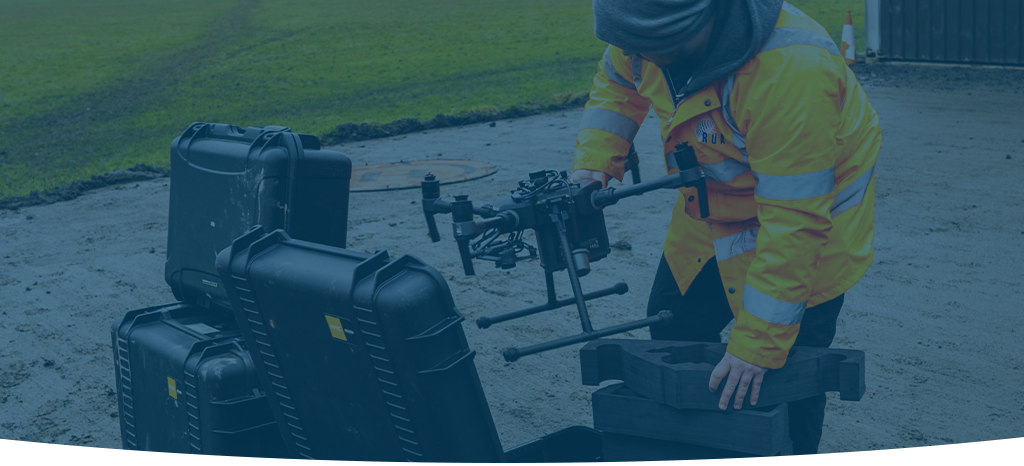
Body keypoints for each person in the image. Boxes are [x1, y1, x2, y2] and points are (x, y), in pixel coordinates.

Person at [571, 0, 881, 463]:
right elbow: (619, 85)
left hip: (808, 223)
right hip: (713, 212)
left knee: (784, 375)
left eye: (660, 49)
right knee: (672, 334)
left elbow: (793, 223)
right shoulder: (642, 37)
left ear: (706, 17)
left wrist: (756, 346)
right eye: (635, 48)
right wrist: (595, 164)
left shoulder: (791, 70)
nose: (646, 60)